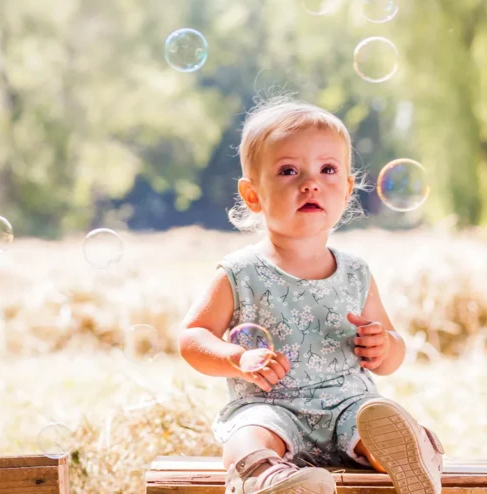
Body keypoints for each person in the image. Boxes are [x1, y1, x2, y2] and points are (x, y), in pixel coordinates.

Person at [178, 98, 444, 494]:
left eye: (328, 169)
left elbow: (393, 353)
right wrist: (237, 358)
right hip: (270, 407)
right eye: (288, 170)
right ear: (253, 195)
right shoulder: (240, 272)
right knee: (248, 435)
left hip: (348, 408)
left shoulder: (355, 272)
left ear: (348, 189)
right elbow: (192, 338)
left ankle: (410, 458)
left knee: (375, 423)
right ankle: (271, 479)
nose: (311, 182)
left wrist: (382, 346)